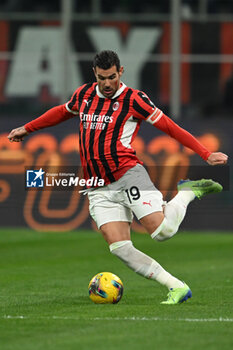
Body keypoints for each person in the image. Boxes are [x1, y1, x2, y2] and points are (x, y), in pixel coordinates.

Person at [8, 50, 228, 304]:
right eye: (102, 78)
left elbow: (169, 126)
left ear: (120, 72)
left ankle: (188, 191)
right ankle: (176, 287)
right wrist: (27, 128)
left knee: (162, 232)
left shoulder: (135, 100)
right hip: (97, 186)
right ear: (95, 74)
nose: (108, 83)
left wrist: (205, 153)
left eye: (112, 76)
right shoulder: (84, 94)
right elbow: (62, 111)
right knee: (120, 248)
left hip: (128, 175)